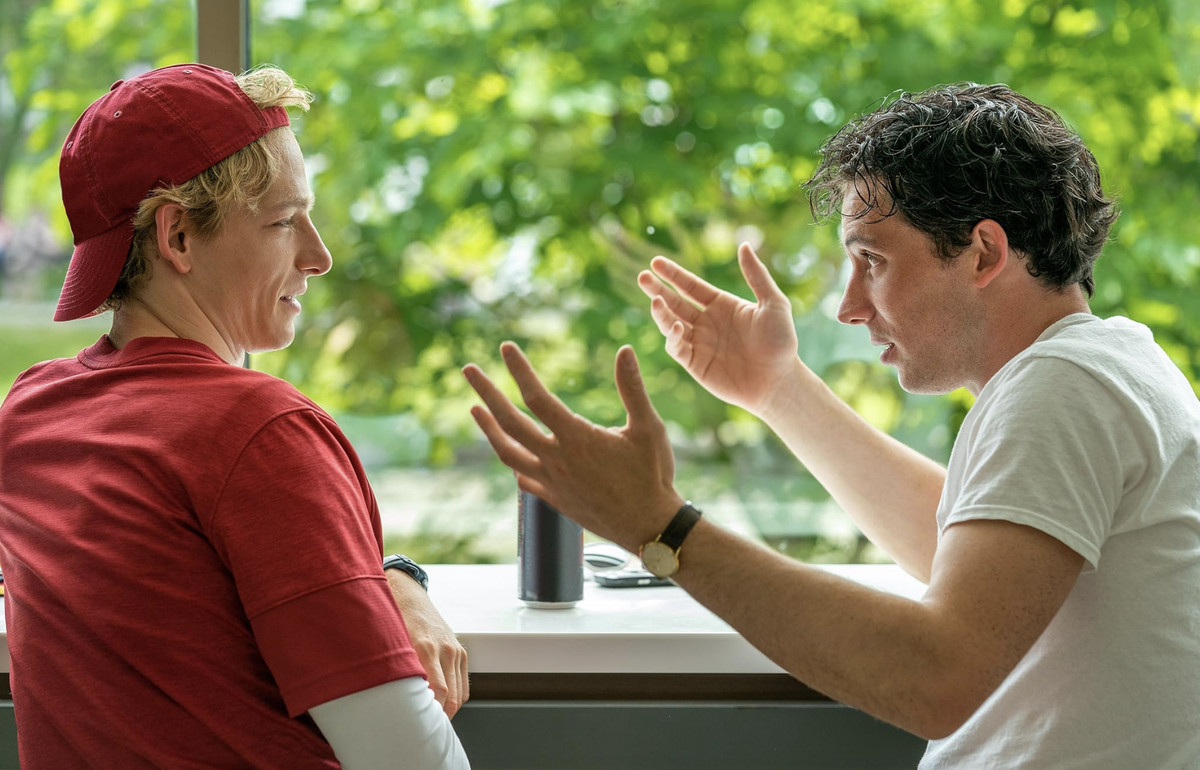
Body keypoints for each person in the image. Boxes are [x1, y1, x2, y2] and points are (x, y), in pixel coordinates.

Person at [462, 83, 1200, 768]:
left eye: (871, 260)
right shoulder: (1104, 366)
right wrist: (779, 391)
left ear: (982, 252)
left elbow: (932, 677)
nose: (848, 306)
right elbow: (953, 546)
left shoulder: (1063, 388)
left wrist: (660, 527)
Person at [0, 63, 471, 769]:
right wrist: (396, 582)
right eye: (284, 222)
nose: (320, 256)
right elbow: (413, 762)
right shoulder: (261, 431)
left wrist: (391, 576)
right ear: (179, 238)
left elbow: (177, 570)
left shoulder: (31, 416)